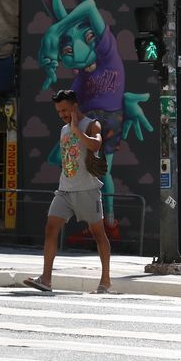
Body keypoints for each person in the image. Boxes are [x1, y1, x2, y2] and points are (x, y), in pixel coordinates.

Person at [25, 89, 112, 294]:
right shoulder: (64, 129)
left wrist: (76, 130)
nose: (62, 114)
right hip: (65, 189)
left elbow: (96, 144)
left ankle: (105, 281)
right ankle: (46, 280)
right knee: (50, 228)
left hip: (88, 190)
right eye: (58, 111)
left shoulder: (91, 124)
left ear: (74, 106)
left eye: (64, 109)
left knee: (98, 234)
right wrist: (70, 128)